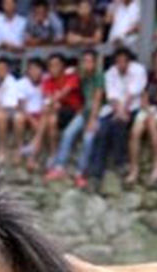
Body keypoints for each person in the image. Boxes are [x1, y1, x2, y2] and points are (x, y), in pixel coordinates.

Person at [80, 47, 146, 189]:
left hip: (133, 107)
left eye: (124, 61)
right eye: (118, 61)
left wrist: (123, 111)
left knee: (119, 125)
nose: (121, 64)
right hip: (114, 108)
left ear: (129, 61)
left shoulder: (138, 70)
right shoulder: (111, 73)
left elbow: (133, 92)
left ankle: (120, 162)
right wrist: (119, 110)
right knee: (101, 130)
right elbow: (112, 96)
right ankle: (95, 172)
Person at [46, 49, 103, 182]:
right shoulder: (81, 77)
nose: (87, 64)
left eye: (90, 61)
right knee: (68, 133)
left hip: (97, 114)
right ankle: (59, 167)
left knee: (88, 138)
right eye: (84, 61)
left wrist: (92, 120)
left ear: (95, 63)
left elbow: (97, 99)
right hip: (83, 113)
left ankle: (80, 172)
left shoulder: (99, 77)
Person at [126, 47, 157, 184]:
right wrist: (146, 108)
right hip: (147, 107)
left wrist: (156, 111)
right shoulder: (149, 75)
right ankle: (134, 168)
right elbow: (144, 95)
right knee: (135, 131)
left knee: (152, 125)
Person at [34, 54, 80, 173]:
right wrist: (53, 103)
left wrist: (53, 102)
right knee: (52, 119)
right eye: (50, 66)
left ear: (63, 66)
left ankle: (36, 144)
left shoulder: (71, 77)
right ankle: (53, 154)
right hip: (55, 112)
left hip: (72, 111)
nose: (53, 68)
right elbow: (48, 97)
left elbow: (64, 93)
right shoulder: (48, 80)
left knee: (49, 113)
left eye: (56, 65)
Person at [0, 58, 22, 162]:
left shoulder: (11, 81)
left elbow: (11, 104)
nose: (0, 71)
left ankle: (18, 149)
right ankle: (2, 148)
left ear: (7, 69)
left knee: (16, 118)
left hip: (11, 109)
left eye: (3, 68)